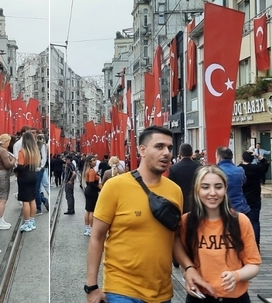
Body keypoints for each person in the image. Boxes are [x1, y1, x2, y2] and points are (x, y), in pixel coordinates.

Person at [86, 126, 213, 303]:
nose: (167, 153)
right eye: (159, 146)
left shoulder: (174, 191)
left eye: (169, 148)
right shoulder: (115, 187)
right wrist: (91, 286)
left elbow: (174, 236)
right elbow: (97, 237)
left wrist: (188, 266)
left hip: (162, 292)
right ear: (142, 150)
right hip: (121, 290)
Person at [180, 165, 261, 302]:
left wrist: (236, 275)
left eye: (218, 187)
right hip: (200, 297)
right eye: (205, 187)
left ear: (225, 189)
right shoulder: (187, 222)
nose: (212, 193)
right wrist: (188, 277)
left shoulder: (240, 221)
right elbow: (185, 262)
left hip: (235, 298)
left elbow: (253, 264)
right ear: (196, 190)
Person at [239, 151, 269, 246]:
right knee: (255, 221)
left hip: (242, 199)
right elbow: (265, 163)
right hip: (255, 198)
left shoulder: (239, 169)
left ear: (242, 158)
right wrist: (258, 155)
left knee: (241, 222)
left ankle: (243, 243)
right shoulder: (257, 168)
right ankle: (256, 244)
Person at [15, 131, 41, 232]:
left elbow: (20, 166)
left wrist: (15, 171)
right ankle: (32, 221)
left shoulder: (22, 151)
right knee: (32, 199)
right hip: (33, 174)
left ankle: (26, 223)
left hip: (24, 176)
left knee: (25, 200)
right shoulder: (35, 151)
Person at [0, 133, 16, 230]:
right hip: (2, 175)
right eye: (8, 141)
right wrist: (13, 160)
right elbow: (8, 165)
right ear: (5, 142)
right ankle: (0, 220)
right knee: (3, 199)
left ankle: (0, 219)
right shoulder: (3, 151)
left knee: (0, 197)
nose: (9, 144)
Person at [216, 147, 250, 215]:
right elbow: (244, 182)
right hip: (240, 206)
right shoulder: (240, 170)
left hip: (222, 207)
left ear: (219, 157)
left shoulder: (216, 171)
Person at [169, 143, 200, 214]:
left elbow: (171, 187)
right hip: (196, 203)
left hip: (179, 203)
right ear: (192, 153)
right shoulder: (199, 167)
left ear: (180, 154)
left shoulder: (173, 168)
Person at [82, 155, 100, 237]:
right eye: (93, 160)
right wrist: (99, 188)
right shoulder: (92, 171)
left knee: (88, 210)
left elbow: (88, 182)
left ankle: (87, 228)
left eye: (95, 160)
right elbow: (92, 183)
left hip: (88, 190)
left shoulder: (87, 170)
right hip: (92, 191)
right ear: (89, 162)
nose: (95, 162)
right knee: (92, 211)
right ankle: (91, 229)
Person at [35, 134, 49, 215]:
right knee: (34, 189)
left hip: (39, 169)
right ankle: (44, 200)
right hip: (30, 169)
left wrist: (40, 167)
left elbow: (44, 157)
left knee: (37, 188)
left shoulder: (41, 145)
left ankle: (39, 207)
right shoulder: (28, 144)